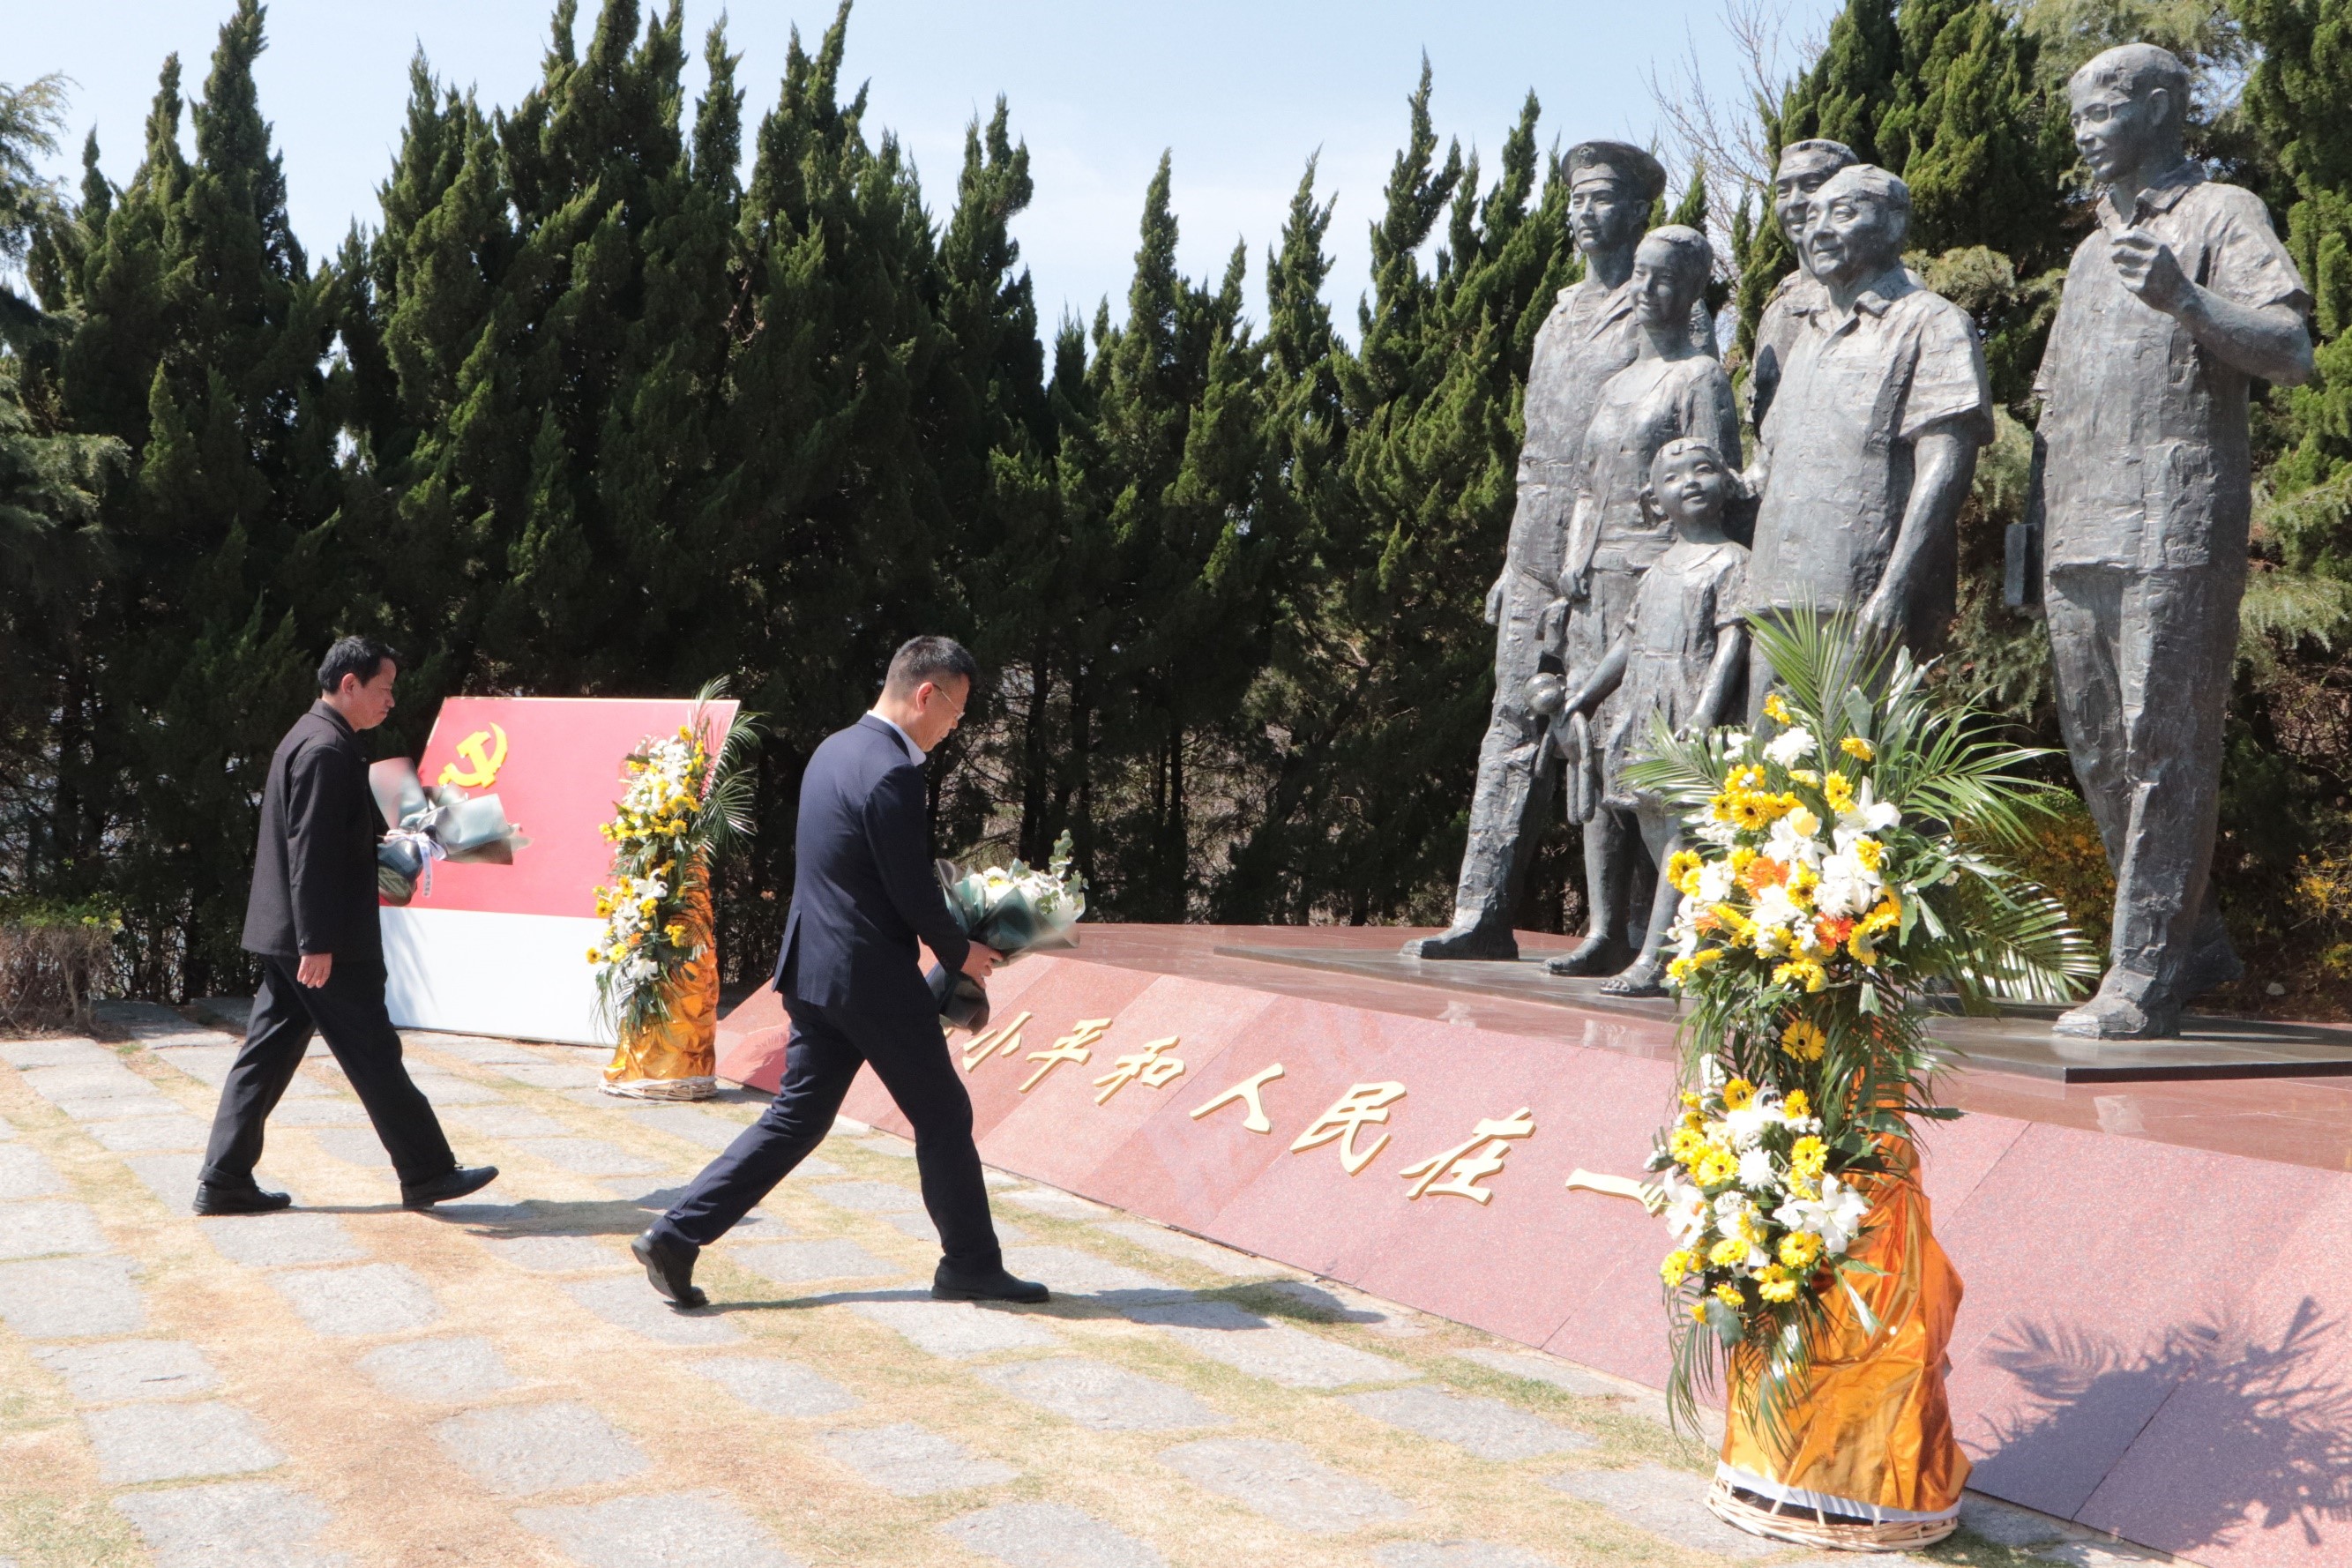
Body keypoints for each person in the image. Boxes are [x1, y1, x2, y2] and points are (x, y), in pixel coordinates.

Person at [2034, 43, 2313, 1038]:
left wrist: (2188, 301)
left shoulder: (2220, 214)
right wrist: (2031, 545)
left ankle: (2144, 974)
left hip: (2173, 519)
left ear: (2158, 107)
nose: (2084, 129)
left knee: (2163, 743)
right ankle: (2191, 942)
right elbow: (2051, 411)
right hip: (2077, 530)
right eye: (2077, 113)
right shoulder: (2087, 255)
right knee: (2100, 750)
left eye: (2102, 108)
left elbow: (2290, 350)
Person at [631, 637, 1043, 1308]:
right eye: (957, 709)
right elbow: (909, 887)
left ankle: (675, 1236)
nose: (956, 724)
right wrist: (959, 950)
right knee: (944, 1113)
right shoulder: (892, 772)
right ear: (926, 694)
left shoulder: (834, 750)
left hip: (814, 969)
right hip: (869, 978)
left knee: (797, 1116)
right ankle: (970, 1265)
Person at [1406, 139, 1669, 962]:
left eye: (1600, 197)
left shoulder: (1663, 307)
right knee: (1510, 724)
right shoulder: (1558, 313)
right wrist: (1509, 559)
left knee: (1617, 731)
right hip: (1536, 543)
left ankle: (1630, 930)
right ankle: (1479, 912)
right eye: (1576, 199)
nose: (1582, 212)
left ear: (1637, 211)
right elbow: (1535, 447)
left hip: (1618, 544)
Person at [195, 638, 497, 1215]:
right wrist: (317, 941)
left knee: (265, 1057)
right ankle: (428, 1171)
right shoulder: (325, 749)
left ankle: (224, 1179)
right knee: (373, 1053)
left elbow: (326, 842)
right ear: (349, 684)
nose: (390, 702)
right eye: (384, 689)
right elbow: (309, 854)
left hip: (294, 935)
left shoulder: (314, 737)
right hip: (323, 941)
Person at [1546, 225, 1741, 978]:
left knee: (1654, 765)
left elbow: (1713, 481)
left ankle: (1655, 936)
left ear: (1690, 291)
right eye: (1639, 275)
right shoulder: (1615, 383)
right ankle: (1604, 929)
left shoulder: (1700, 377)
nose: (1646, 291)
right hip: (1596, 585)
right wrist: (1572, 564)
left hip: (1663, 583)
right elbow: (1588, 486)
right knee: (1592, 746)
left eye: (1663, 278)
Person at [1743, 163, 1991, 718]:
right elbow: (1771, 464)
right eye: (1813, 216)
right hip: (1775, 592)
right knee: (1761, 763)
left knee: (1852, 761)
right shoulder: (1806, 335)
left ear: (1895, 222)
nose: (1820, 229)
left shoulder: (1930, 322)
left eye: (1843, 212)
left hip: (1859, 597)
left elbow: (1946, 464)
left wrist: (1895, 587)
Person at [1556, 438, 1750, 996]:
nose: (1689, 483)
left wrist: (1705, 712)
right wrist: (1587, 695)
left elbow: (1732, 643)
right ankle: (1677, 946)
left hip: (1687, 705)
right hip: (1643, 705)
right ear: (1653, 499)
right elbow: (1627, 641)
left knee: (1681, 833)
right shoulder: (1659, 568)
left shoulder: (1734, 561)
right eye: (1673, 477)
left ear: (1726, 483)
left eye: (1702, 470)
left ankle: (1656, 958)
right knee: (1653, 824)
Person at [1745, 138, 1860, 428]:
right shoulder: (1777, 310)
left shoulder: (1881, 296)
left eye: (1811, 185)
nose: (1795, 202)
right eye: (1783, 191)